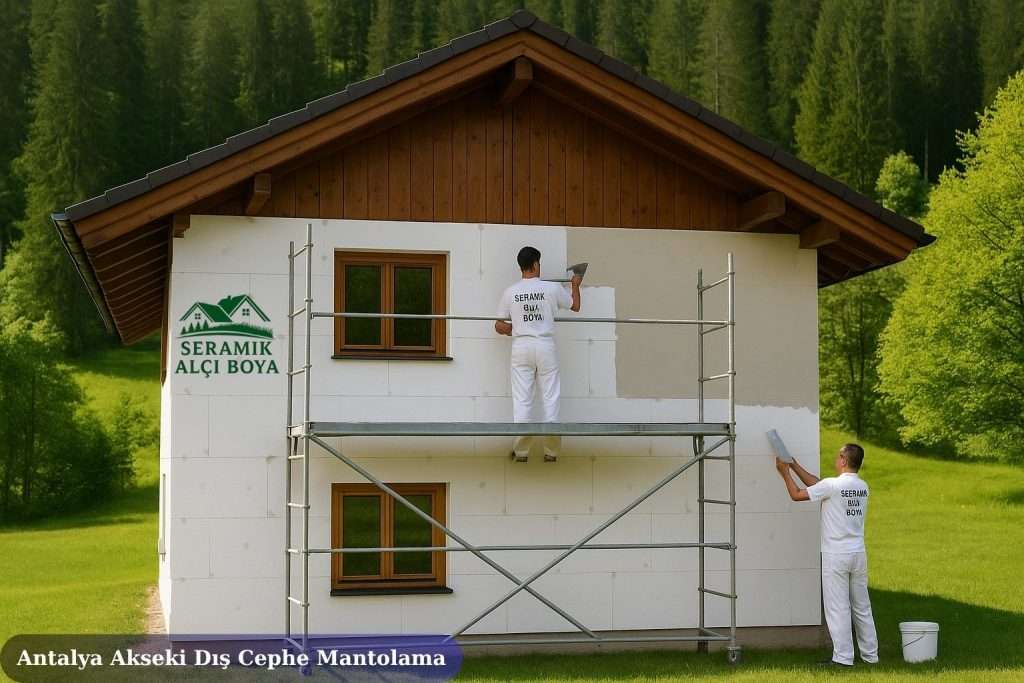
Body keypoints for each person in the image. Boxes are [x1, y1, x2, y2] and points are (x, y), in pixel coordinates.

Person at [775, 443, 879, 668]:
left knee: (837, 607)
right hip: (858, 554)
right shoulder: (862, 486)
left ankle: (843, 658)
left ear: (842, 460)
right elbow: (818, 484)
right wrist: (794, 464)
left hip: (836, 556)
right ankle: (871, 656)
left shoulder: (833, 486)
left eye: (837, 456)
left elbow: (796, 494)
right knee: (862, 606)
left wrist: (784, 473)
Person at [495, 246, 581, 462]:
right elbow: (575, 306)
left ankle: (522, 452)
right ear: (535, 264)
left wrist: (516, 329)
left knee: (522, 400)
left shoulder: (510, 292)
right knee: (550, 398)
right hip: (545, 346)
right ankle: (551, 452)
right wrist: (575, 285)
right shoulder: (551, 288)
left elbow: (498, 325)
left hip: (521, 346)